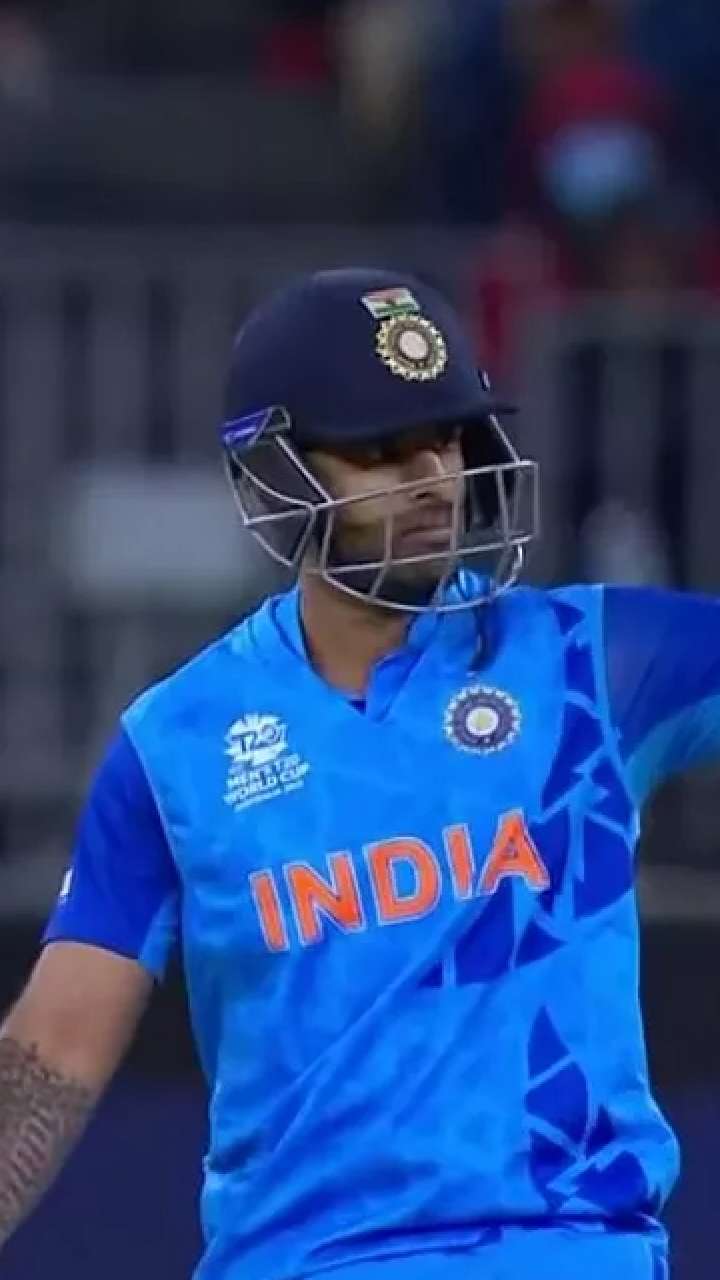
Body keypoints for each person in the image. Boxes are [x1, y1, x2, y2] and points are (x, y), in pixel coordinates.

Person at [1, 265, 717, 1280]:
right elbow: (55, 1048)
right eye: (380, 451)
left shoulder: (594, 661)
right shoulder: (178, 744)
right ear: (280, 475)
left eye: (447, 438)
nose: (432, 477)